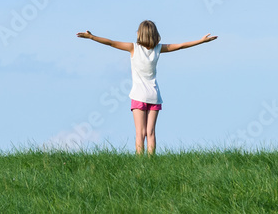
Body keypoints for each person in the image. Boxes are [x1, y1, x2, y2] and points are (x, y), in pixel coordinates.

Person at [77, 20, 217, 155]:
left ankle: (140, 162)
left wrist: (92, 37)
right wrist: (201, 41)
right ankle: (151, 162)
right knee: (151, 133)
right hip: (154, 96)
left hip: (138, 96)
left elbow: (111, 43)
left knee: (140, 133)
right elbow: (180, 46)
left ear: (140, 34)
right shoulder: (158, 49)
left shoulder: (133, 48)